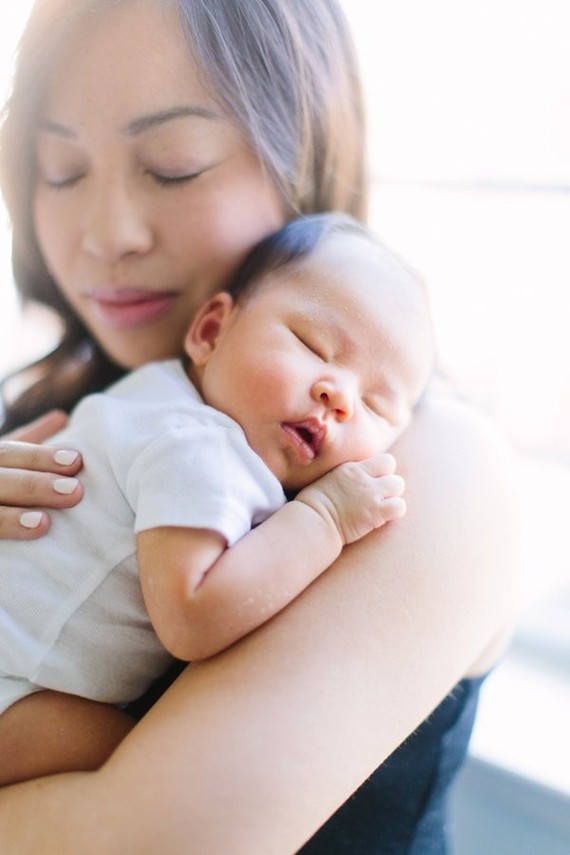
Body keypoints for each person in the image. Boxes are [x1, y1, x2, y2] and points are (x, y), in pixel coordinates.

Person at [0, 0, 518, 852]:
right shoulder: (62, 414)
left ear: (303, 151)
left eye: (173, 166)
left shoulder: (428, 468)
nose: (107, 235)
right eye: (61, 170)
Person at [0, 212, 435, 786]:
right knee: (149, 783)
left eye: (378, 406)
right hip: (15, 687)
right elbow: (192, 614)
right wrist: (325, 518)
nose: (341, 397)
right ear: (210, 332)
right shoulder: (201, 445)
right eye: (313, 345)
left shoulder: (154, 394)